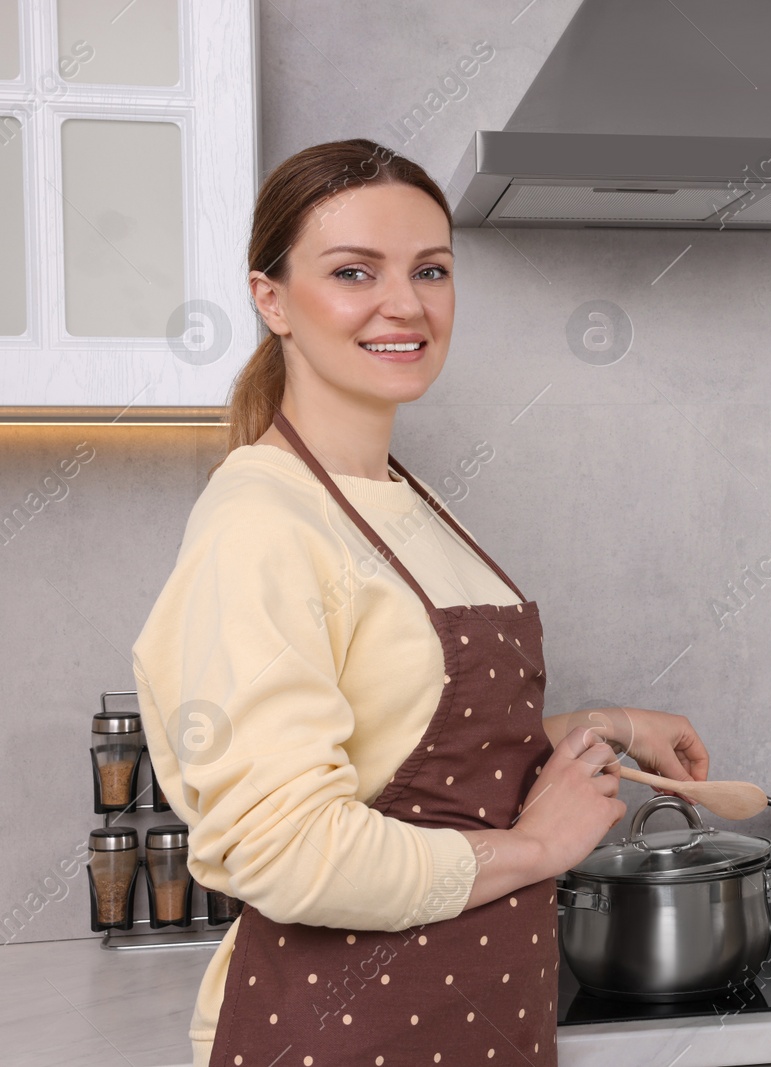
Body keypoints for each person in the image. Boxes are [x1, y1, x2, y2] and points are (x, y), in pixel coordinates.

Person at [132, 139, 710, 1067]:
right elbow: (285, 847)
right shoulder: (260, 522)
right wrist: (533, 849)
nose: (405, 304)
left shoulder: (404, 499)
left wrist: (606, 725)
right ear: (270, 298)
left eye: (430, 270)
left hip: (481, 1023)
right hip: (339, 1034)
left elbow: (416, 755)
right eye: (354, 271)